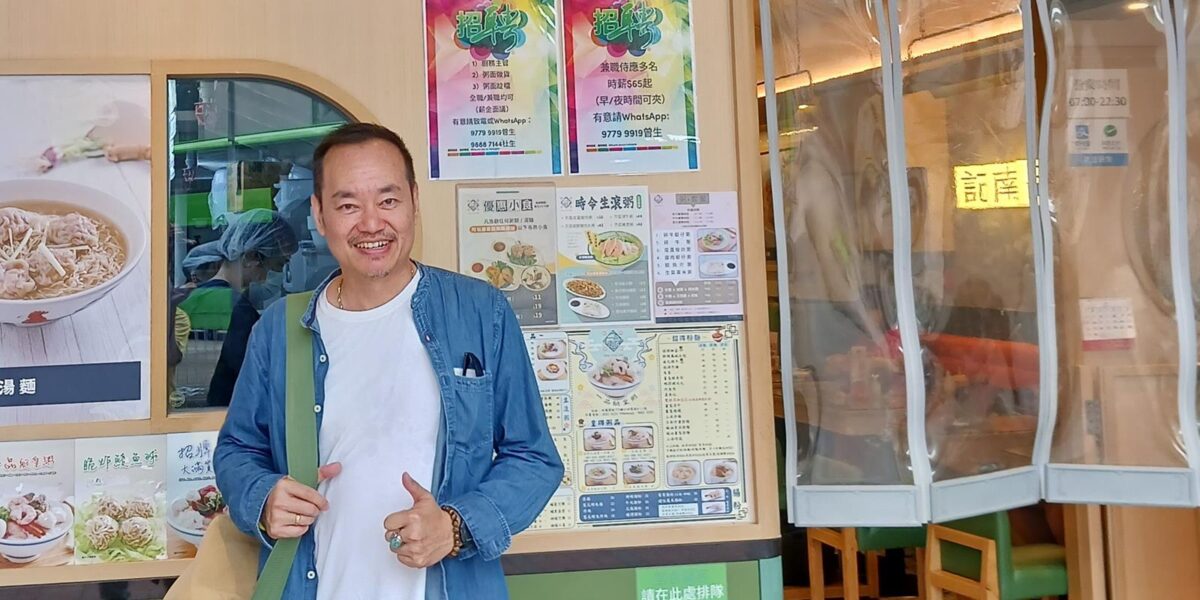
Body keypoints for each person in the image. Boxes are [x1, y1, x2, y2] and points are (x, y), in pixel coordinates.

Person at [213, 123, 563, 600]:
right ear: (318, 214)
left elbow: (533, 457)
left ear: (415, 201)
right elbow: (238, 450)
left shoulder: (480, 313)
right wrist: (262, 498)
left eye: (388, 200)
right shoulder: (280, 329)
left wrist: (456, 526)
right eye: (348, 205)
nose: (371, 223)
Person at [177, 209, 297, 407]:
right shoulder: (238, 310)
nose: (275, 275)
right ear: (251, 257)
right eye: (277, 265)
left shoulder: (187, 299)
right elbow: (252, 378)